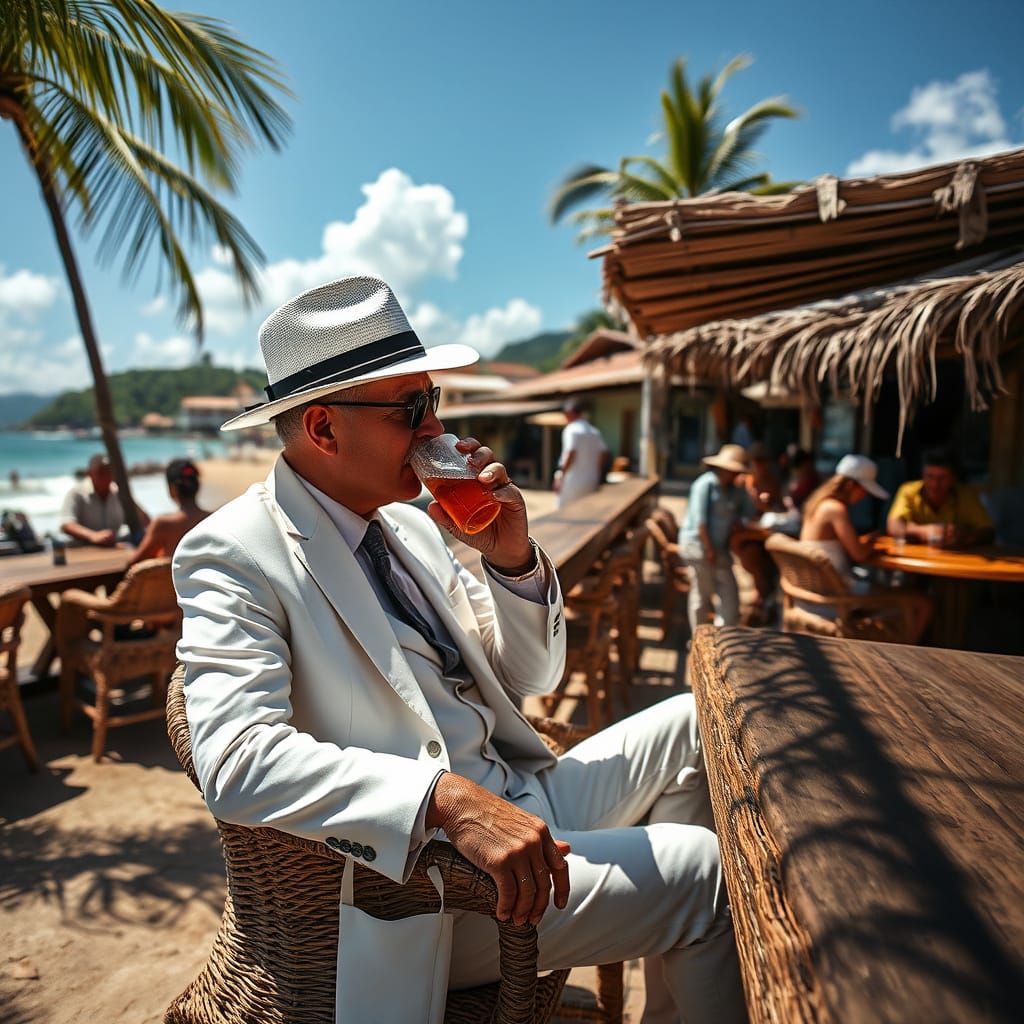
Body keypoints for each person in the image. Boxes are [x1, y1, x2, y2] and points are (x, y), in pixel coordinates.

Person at [174, 276, 745, 1023]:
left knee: (698, 723)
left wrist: (511, 559)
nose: (437, 427)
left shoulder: (410, 527)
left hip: (524, 793)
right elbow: (236, 760)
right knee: (707, 877)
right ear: (321, 428)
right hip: (436, 888)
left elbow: (529, 676)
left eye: (434, 400)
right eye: (412, 409)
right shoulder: (234, 552)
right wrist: (443, 802)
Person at [801, 454, 931, 639]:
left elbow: (835, 546)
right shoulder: (836, 509)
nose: (863, 497)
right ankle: (909, 650)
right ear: (851, 485)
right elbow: (859, 555)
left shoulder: (817, 504)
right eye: (864, 490)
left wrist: (864, 541)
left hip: (819, 592)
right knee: (922, 602)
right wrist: (872, 544)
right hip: (836, 597)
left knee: (902, 591)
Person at [677, 444, 754, 635]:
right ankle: (698, 640)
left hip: (720, 549)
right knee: (702, 595)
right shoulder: (705, 484)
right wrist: (709, 549)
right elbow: (700, 522)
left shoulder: (736, 490)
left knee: (730, 597)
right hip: (699, 547)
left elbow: (748, 514)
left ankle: (722, 639)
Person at [886, 448, 994, 547]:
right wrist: (925, 532)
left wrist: (966, 537)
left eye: (942, 478)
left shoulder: (965, 495)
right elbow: (893, 526)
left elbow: (989, 531)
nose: (935, 484)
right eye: (930, 476)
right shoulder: (908, 491)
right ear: (922, 475)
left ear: (953, 478)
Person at [732, 443, 782, 626]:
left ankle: (763, 598)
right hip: (744, 535)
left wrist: (768, 506)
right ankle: (761, 596)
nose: (760, 465)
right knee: (751, 553)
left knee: (769, 554)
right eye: (757, 461)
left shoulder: (772, 482)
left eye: (764, 461)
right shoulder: (741, 483)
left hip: (763, 532)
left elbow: (779, 509)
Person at [127, 458, 209, 565]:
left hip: (170, 581)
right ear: (197, 486)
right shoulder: (214, 518)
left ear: (172, 489)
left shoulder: (164, 524)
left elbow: (135, 562)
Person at [60, 453, 148, 547]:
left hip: (115, 547)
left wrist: (127, 496)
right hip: (85, 549)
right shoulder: (77, 493)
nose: (107, 476)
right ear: (89, 474)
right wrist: (92, 536)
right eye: (101, 472)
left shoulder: (119, 493)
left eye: (109, 471)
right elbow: (67, 524)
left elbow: (146, 521)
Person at [553, 398, 608, 509]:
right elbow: (603, 452)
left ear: (570, 413)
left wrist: (561, 476)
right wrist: (597, 473)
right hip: (591, 480)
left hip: (572, 481)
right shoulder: (594, 431)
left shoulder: (572, 429)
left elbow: (571, 452)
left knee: (564, 512)